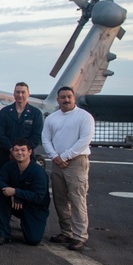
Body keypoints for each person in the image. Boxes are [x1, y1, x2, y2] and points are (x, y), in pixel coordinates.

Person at [42, 86, 95, 251]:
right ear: (58, 100)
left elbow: (84, 140)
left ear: (74, 98)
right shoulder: (52, 118)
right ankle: (66, 232)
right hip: (57, 162)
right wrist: (54, 156)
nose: (66, 100)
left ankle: (80, 236)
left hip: (76, 162)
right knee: (60, 200)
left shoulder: (84, 117)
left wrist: (65, 156)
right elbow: (45, 139)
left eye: (69, 97)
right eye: (63, 97)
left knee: (78, 200)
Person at [0, 140, 50, 245]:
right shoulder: (9, 166)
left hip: (34, 207)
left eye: (23, 150)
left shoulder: (38, 172)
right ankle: (2, 233)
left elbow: (38, 196)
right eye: (16, 150)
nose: (19, 153)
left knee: (33, 240)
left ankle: (27, 224)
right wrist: (11, 192)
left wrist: (15, 192)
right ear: (12, 152)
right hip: (15, 203)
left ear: (30, 152)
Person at [0, 82, 44, 172]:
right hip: (6, 156)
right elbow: (0, 134)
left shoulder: (36, 113)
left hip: (27, 158)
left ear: (28, 93)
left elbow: (37, 136)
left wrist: (22, 151)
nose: (20, 95)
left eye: (23, 92)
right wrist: (12, 150)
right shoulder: (4, 112)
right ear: (14, 93)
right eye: (17, 92)